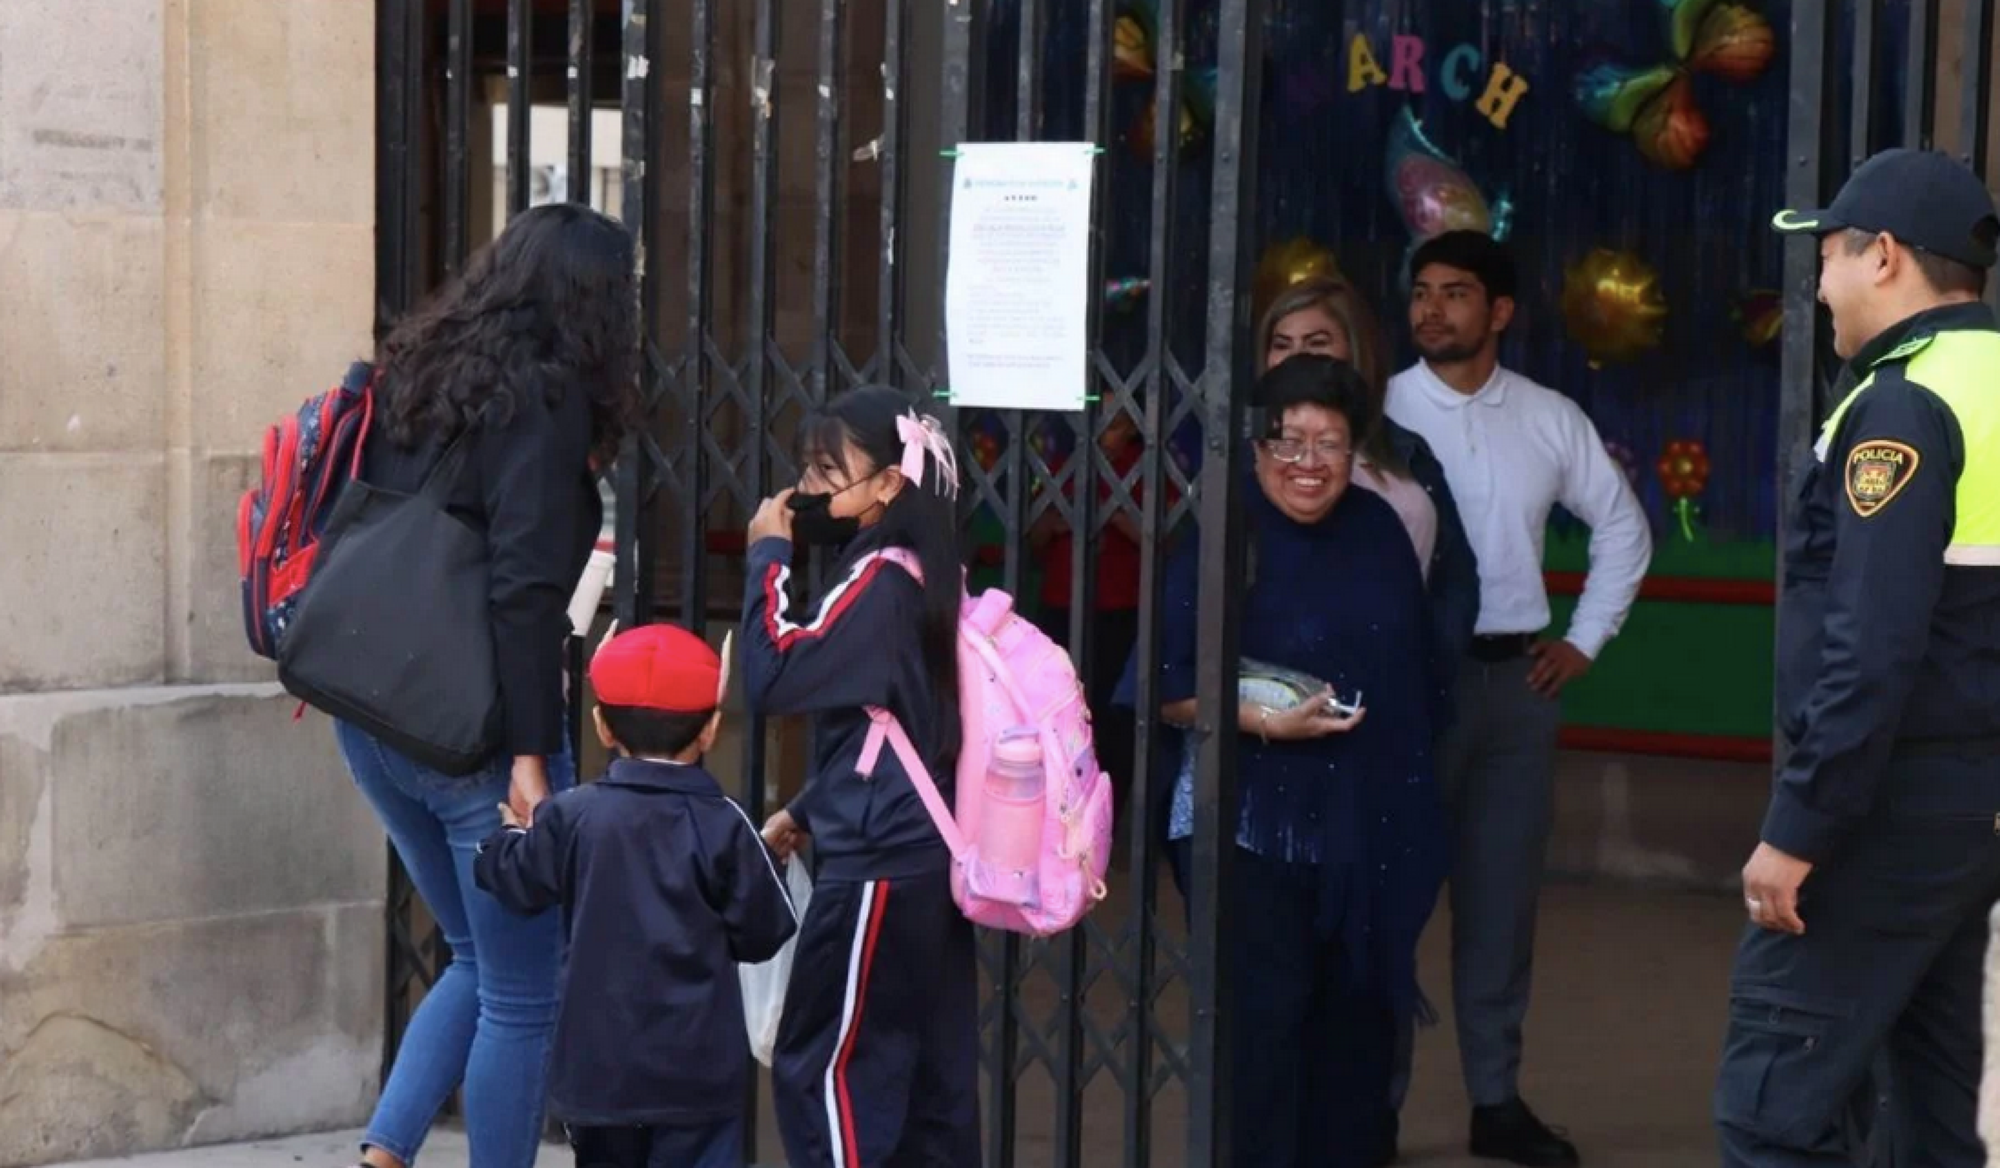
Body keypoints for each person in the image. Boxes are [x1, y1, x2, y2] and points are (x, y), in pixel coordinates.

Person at [333, 203, 640, 1168]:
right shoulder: (543, 402)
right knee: (523, 992)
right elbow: (522, 595)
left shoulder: (421, 373)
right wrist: (529, 759)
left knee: (477, 957)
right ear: (592, 302)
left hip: (371, 715)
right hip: (472, 733)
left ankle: (383, 1156)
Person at [1715, 148, 2000, 1167]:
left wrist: (1800, 825)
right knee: (1929, 1114)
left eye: (1829, 257)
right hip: (1969, 808)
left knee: (1772, 1110)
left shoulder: (1902, 403)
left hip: (1886, 805)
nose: (1820, 286)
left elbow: (1871, 644)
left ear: (1882, 256)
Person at [1387, 229, 1652, 1167]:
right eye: (1422, 292)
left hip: (1515, 691)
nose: (1432, 309)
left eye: (1455, 293)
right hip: (1407, 693)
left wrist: (1585, 640)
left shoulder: (1548, 416)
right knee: (1388, 904)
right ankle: (1370, 1107)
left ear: (1499, 311)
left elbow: (1623, 528)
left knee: (1499, 910)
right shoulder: (1378, 411)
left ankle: (1495, 1101)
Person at [1151, 354, 1451, 1168]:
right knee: (1264, 1031)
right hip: (1250, 827)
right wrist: (1262, 722)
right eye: (1287, 442)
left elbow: (1418, 678)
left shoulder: (1378, 531)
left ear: (1356, 452)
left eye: (1329, 443)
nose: (1307, 463)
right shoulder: (1222, 533)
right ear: (1256, 448)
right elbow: (1163, 687)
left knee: (1355, 1036)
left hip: (1365, 832)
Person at [742, 386, 981, 1168]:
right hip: (924, 855)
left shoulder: (877, 579)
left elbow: (773, 675)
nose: (803, 490)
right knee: (927, 1083)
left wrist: (768, 557)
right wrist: (810, 808)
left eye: (825, 471)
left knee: (827, 1071)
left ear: (886, 485)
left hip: (879, 865)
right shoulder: (925, 574)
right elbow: (896, 724)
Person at [475, 623, 799, 1168]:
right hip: (697, 1079)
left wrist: (505, 837)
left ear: (602, 726)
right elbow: (763, 933)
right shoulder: (725, 823)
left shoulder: (574, 814)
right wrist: (767, 861)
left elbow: (515, 878)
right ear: (711, 730)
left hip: (598, 1076)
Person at [1259, 275, 1481, 683]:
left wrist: (1428, 673)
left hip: (1397, 684)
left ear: (1356, 350)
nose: (1296, 357)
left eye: (1317, 342)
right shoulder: (1255, 457)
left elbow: (1455, 579)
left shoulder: (1406, 449)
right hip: (1294, 693)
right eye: (1282, 344)